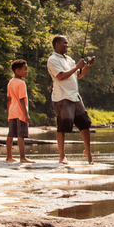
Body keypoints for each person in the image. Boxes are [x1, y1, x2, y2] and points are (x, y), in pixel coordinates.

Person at [47, 35, 95, 164]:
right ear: (57, 44)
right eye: (65, 43)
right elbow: (61, 76)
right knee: (63, 126)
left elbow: (78, 75)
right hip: (62, 97)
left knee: (85, 124)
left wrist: (87, 66)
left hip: (75, 97)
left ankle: (88, 152)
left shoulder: (69, 59)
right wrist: (76, 66)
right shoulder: (52, 60)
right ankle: (62, 156)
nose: (67, 45)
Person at [6, 59, 35, 163]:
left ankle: (9, 156)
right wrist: (26, 115)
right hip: (20, 112)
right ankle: (22, 157)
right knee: (21, 135)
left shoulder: (10, 82)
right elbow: (22, 99)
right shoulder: (21, 83)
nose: (27, 71)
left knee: (10, 134)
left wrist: (9, 111)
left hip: (12, 111)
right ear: (18, 71)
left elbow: (9, 99)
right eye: (25, 69)